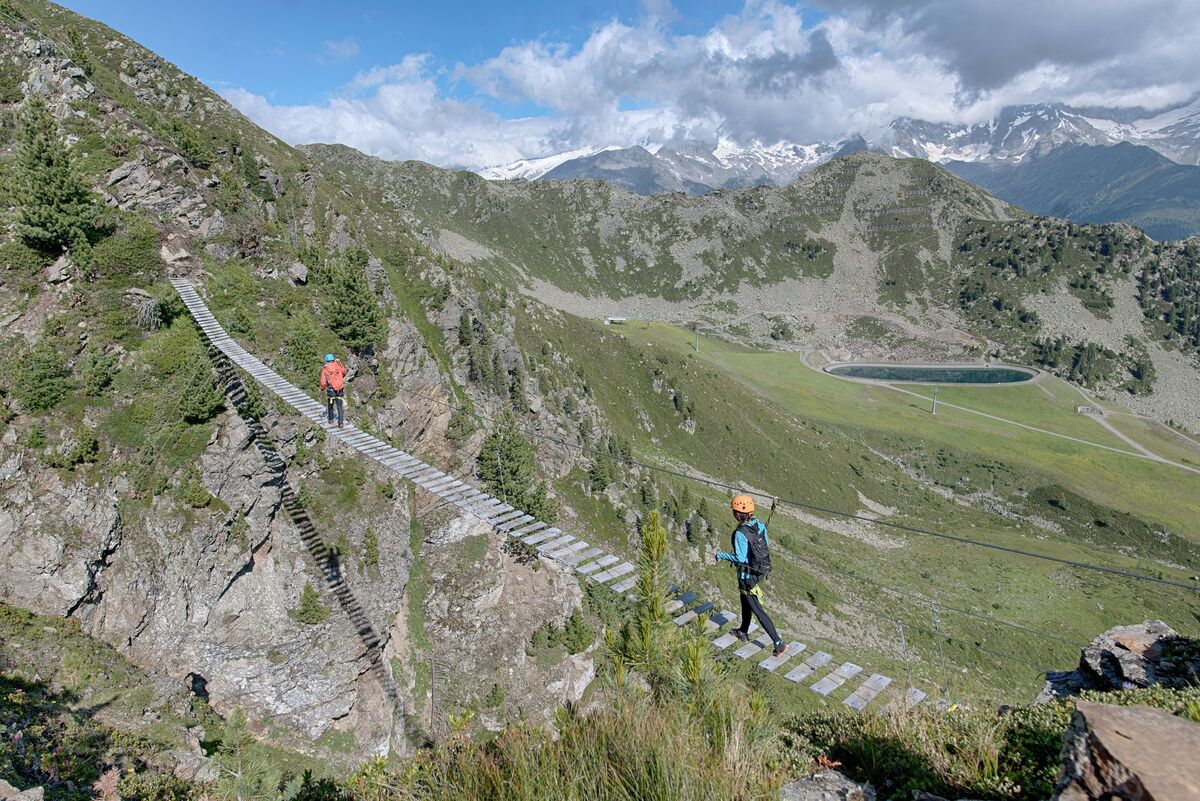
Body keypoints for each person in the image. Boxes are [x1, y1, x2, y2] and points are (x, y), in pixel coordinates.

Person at [714, 494, 785, 657]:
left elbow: (740, 558)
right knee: (744, 600)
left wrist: (721, 555)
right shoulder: (759, 525)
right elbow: (765, 545)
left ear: (738, 514)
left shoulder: (740, 533)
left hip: (747, 576)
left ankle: (779, 643)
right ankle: (743, 631)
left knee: (757, 610)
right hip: (760, 570)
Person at [319, 354, 347, 428]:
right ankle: (341, 423)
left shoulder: (325, 370)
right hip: (340, 390)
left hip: (331, 391)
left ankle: (331, 419)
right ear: (333, 360)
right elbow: (344, 372)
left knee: (330, 405)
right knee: (339, 407)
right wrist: (340, 364)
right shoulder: (338, 366)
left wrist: (321, 388)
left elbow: (323, 383)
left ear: (326, 360)